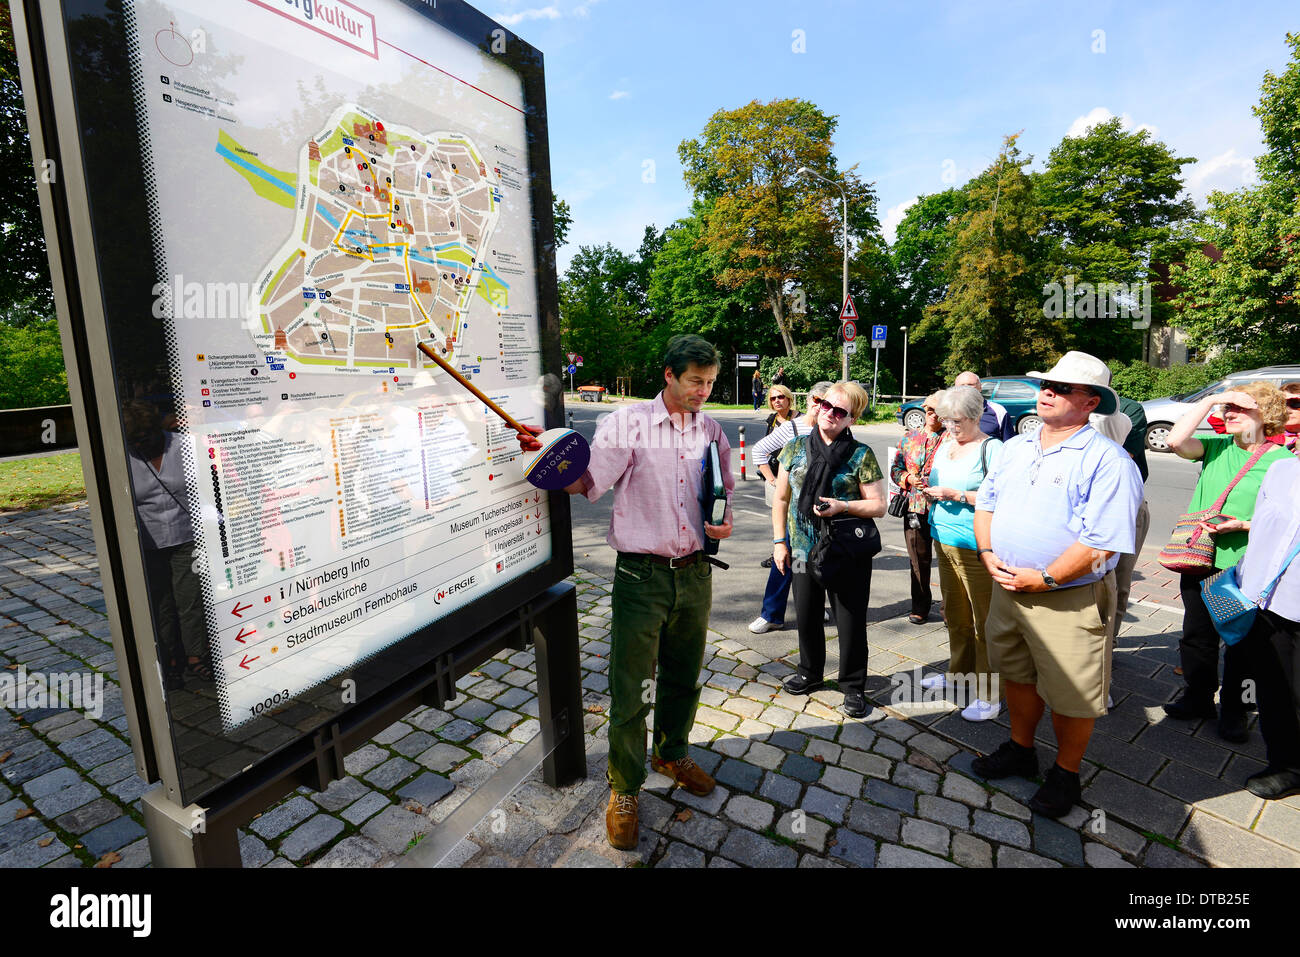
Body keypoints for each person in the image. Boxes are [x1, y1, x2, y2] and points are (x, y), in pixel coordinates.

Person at [532, 335, 735, 851]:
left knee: (684, 678)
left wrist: (725, 522)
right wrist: (552, 458)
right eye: (695, 381)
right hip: (641, 577)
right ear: (667, 375)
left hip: (695, 573)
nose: (703, 392)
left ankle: (671, 753)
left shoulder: (712, 430)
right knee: (631, 688)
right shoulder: (629, 423)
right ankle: (624, 787)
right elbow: (589, 482)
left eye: (710, 383)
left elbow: (723, 493)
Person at [971, 351, 1143, 818]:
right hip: (1008, 588)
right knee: (1016, 674)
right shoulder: (1015, 446)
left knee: (1072, 692)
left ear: (1092, 403)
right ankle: (1021, 749)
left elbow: (1102, 543)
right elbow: (985, 505)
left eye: (1064, 388)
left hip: (1067, 598)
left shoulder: (1108, 461)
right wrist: (988, 555)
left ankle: (1067, 774)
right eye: (1047, 383)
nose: (1049, 391)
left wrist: (1044, 577)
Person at [1162, 381, 1291, 742]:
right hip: (1201, 558)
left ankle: (1234, 710)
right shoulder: (1216, 447)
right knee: (1196, 635)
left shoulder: (1281, 461)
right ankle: (1198, 697)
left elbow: (1288, 519)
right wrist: (1213, 398)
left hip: (1242, 567)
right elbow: (1174, 442)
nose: (1229, 413)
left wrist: (1245, 524)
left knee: (1240, 643)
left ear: (1267, 415)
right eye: (1227, 409)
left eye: (1241, 408)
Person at [773, 381, 886, 718]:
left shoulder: (860, 454)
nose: (831, 414)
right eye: (826, 406)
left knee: (850, 622)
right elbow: (781, 499)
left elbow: (878, 505)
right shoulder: (794, 448)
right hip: (802, 549)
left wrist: (843, 506)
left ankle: (852, 686)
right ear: (818, 406)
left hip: (845, 552)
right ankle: (810, 672)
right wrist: (781, 543)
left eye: (841, 412)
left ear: (851, 419)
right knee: (807, 617)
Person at [920, 385, 1003, 721]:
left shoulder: (992, 448)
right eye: (946, 421)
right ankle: (958, 675)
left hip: (977, 545)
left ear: (975, 416)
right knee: (955, 614)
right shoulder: (946, 444)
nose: (951, 428)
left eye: (957, 422)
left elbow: (1000, 495)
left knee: (985, 621)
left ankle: (990, 693)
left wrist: (956, 494)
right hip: (944, 537)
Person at [1236, 456, 1300, 798]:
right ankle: (1286, 765)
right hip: (1270, 602)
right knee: (1275, 690)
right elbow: (1262, 533)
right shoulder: (1282, 469)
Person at [749, 383, 830, 634]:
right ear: (807, 401)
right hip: (793, 508)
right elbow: (759, 451)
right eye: (816, 400)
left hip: (822, 509)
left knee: (818, 560)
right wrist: (773, 480)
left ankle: (816, 605)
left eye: (826, 402)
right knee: (784, 559)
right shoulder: (793, 428)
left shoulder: (833, 427)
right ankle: (772, 614)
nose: (820, 406)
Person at [891, 390, 946, 625]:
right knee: (918, 559)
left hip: (946, 507)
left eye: (938, 410)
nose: (932, 415)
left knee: (948, 561)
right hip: (915, 505)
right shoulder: (909, 438)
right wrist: (908, 479)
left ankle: (951, 608)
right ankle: (920, 606)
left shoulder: (953, 438)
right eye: (929, 409)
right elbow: (895, 469)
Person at [953, 370, 1016, 441]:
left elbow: (1010, 444)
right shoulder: (949, 413)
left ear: (980, 387)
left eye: (970, 385)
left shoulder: (998, 411)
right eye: (961, 386)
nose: (966, 388)